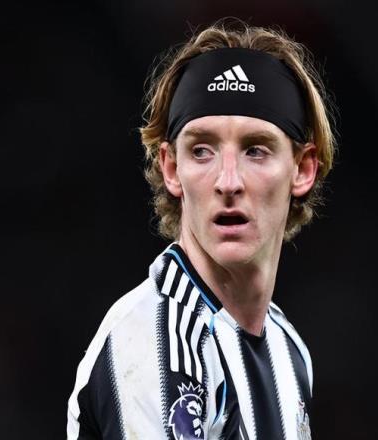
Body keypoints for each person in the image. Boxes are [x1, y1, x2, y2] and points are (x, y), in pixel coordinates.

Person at [67, 20, 335, 440]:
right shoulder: (152, 340)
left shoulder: (288, 350)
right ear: (171, 169)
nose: (228, 181)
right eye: (202, 150)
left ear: (302, 169)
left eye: (255, 150)